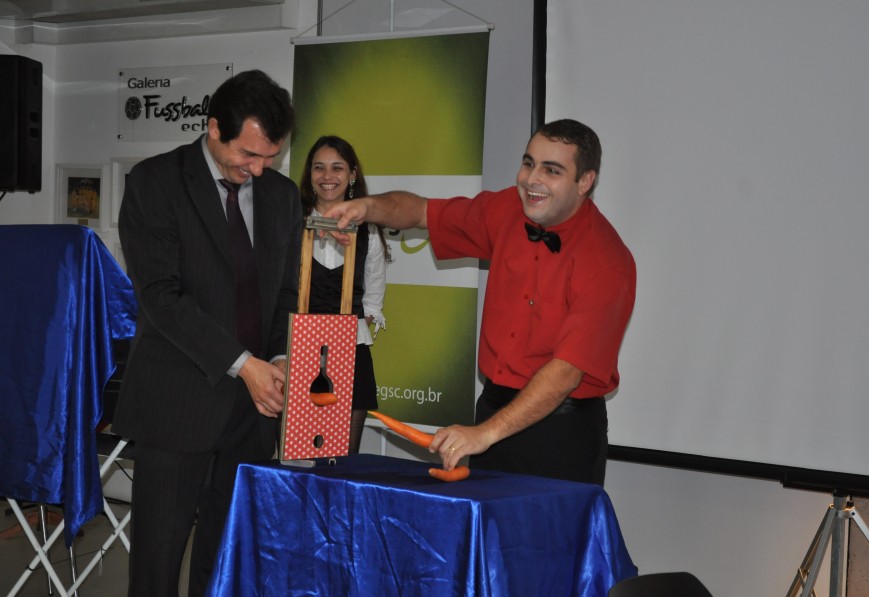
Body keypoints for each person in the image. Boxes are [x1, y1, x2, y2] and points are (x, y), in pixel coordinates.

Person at [325, 119, 636, 485]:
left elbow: (565, 373)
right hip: (492, 412)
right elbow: (422, 211)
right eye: (528, 163)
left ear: (585, 182)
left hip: (561, 434)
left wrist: (486, 433)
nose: (532, 179)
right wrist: (367, 207)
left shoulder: (608, 262)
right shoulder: (505, 209)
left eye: (552, 170)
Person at [113, 70, 302, 596]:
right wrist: (244, 364)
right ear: (214, 128)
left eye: (270, 157)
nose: (258, 170)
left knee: (226, 561)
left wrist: (280, 358)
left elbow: (286, 293)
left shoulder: (283, 196)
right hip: (178, 403)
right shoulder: (155, 182)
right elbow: (161, 297)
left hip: (254, 412)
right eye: (248, 154)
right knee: (157, 563)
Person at [297, 135, 390, 453]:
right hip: (299, 348)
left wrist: (340, 339)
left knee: (344, 456)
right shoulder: (292, 224)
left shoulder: (369, 231)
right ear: (309, 173)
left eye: (337, 167)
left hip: (351, 350)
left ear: (352, 175)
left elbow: (373, 299)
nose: (327, 176)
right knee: (301, 452)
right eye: (319, 167)